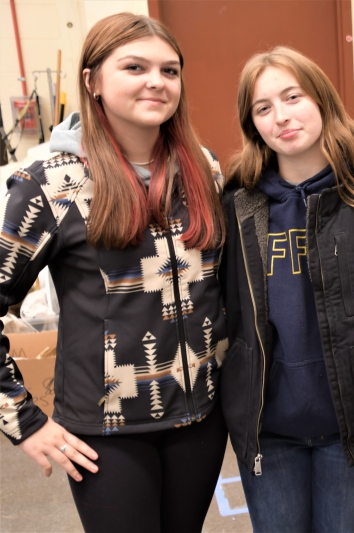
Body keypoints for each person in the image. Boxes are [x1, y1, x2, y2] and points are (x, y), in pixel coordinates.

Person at [0, 13, 229, 532]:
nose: (157, 81)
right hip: (106, 434)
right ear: (93, 81)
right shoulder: (48, 184)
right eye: (135, 66)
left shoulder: (205, 169)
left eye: (170, 71)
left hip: (199, 419)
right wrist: (25, 422)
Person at [220, 46, 354, 533]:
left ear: (321, 99)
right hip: (268, 430)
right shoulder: (236, 208)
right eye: (263, 108)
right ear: (252, 123)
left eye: (292, 96)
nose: (281, 116)